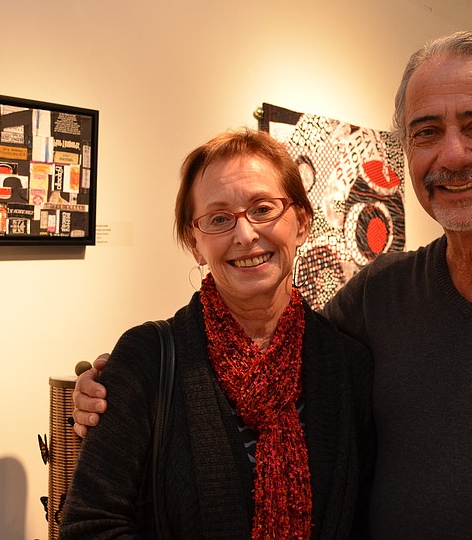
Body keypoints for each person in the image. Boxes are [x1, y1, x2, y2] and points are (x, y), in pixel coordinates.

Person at [73, 32, 472, 539]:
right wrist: (113, 385)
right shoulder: (379, 296)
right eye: (426, 132)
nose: (452, 155)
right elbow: (271, 346)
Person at [59, 129, 375, 539]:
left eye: (263, 209)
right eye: (219, 219)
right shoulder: (146, 360)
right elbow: (89, 526)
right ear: (195, 243)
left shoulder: (348, 364)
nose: (245, 235)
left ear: (301, 223)